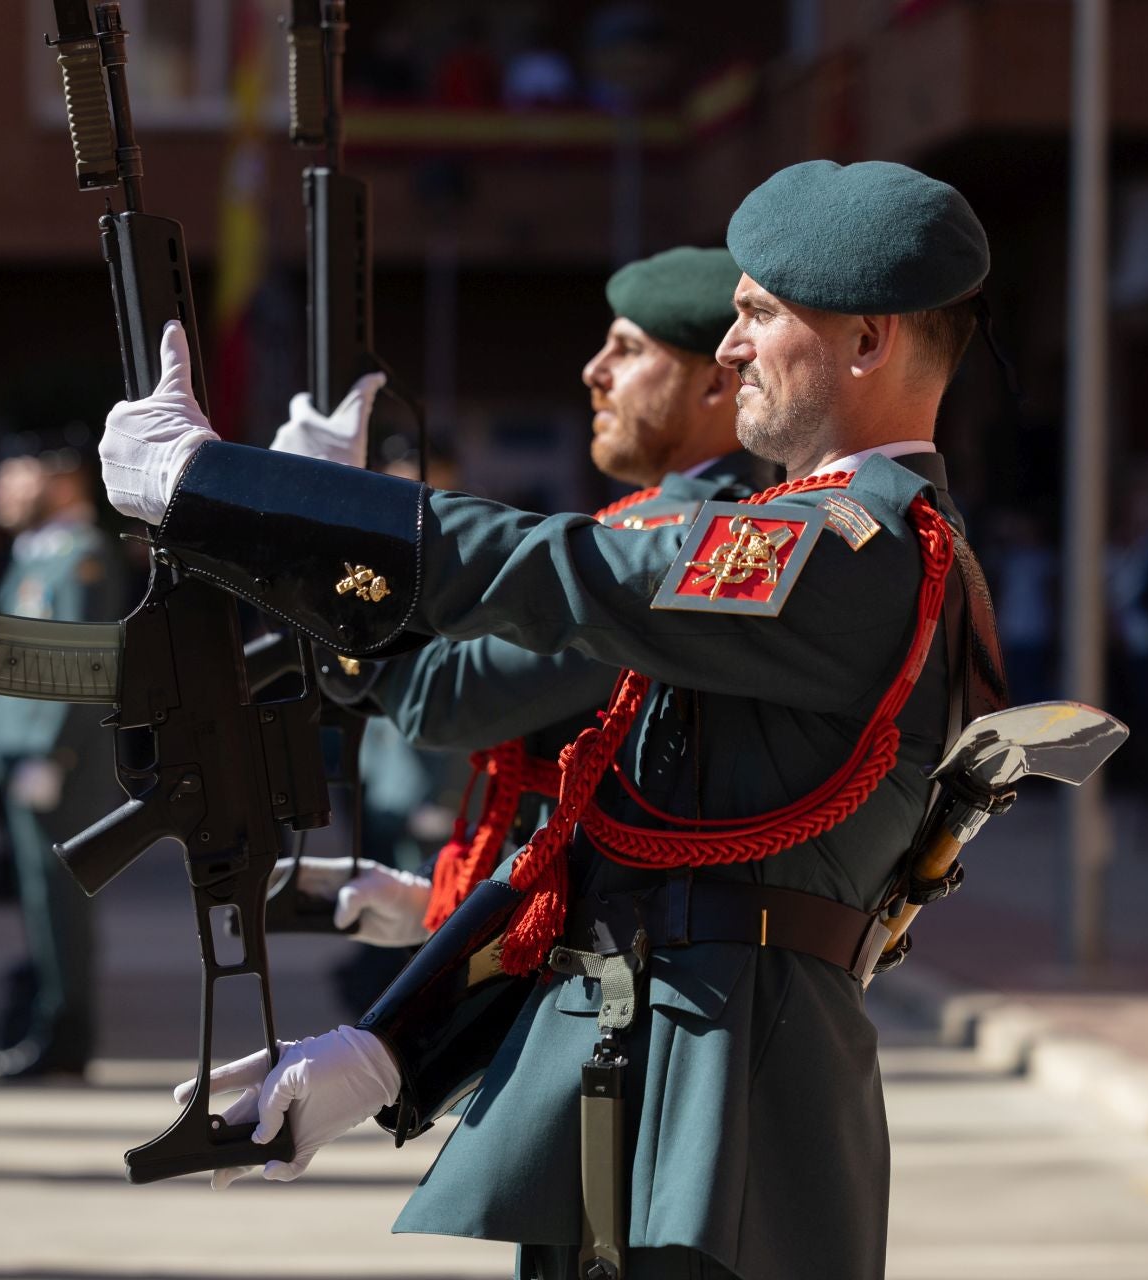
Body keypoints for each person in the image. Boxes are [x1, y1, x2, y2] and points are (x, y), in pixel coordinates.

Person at [96, 160, 1004, 1280]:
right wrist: (387, 1050)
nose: (730, 348)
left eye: (759, 315)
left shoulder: (847, 546)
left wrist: (230, 490)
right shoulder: (823, 537)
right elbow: (615, 857)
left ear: (867, 341)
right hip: (661, 1075)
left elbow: (560, 570)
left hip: (726, 1103)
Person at [292, 247, 771, 951]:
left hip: (626, 952)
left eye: (628, 349)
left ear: (712, 384)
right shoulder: (671, 530)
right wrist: (443, 889)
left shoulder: (684, 547)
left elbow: (443, 697)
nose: (594, 372)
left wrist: (318, 531)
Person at [0, 433, 127, 1082]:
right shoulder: (43, 551)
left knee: (59, 902)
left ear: (62, 477)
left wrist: (51, 754)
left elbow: (82, 661)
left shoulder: (80, 555)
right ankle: (53, 1021)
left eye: (14, 474)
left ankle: (65, 1031)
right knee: (40, 900)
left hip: (59, 764)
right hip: (29, 756)